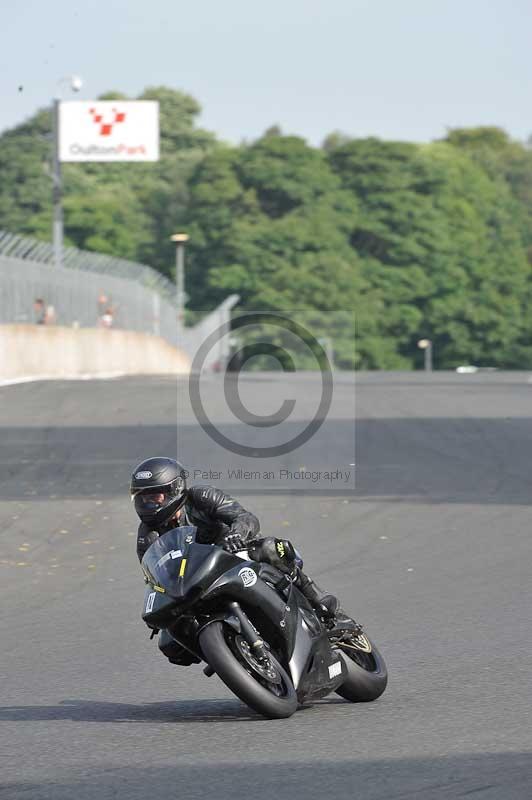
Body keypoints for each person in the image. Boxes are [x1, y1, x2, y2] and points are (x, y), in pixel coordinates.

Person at [131, 457, 342, 625]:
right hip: (195, 580)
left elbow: (245, 517)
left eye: (153, 497)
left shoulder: (200, 497)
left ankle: (315, 597)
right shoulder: (147, 535)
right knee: (172, 637)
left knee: (271, 548)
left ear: (174, 489)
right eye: (142, 498)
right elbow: (154, 577)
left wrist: (237, 534)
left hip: (232, 555)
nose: (147, 503)